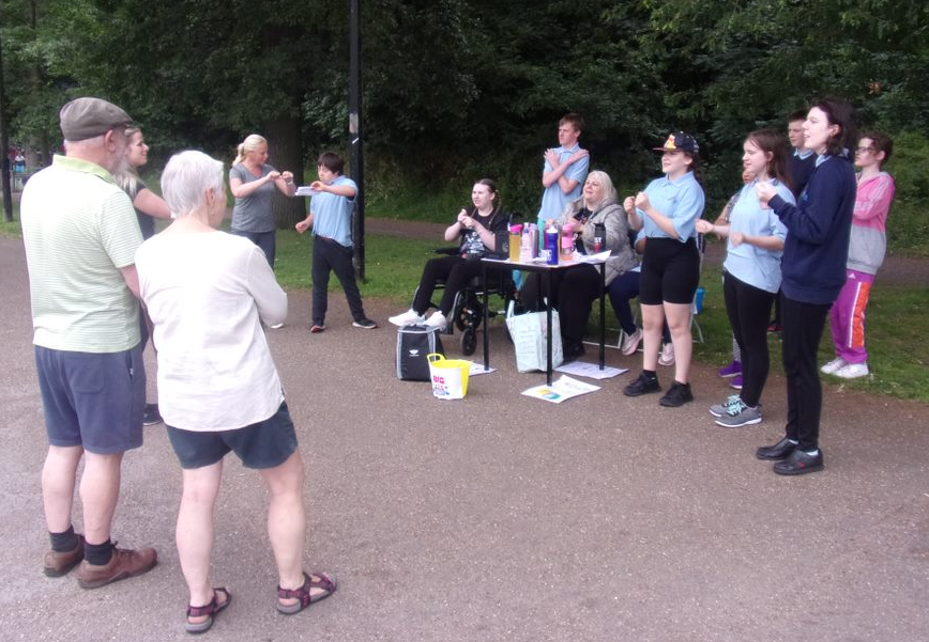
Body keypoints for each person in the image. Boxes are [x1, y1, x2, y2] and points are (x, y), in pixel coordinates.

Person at [135, 151, 335, 634]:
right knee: (286, 485)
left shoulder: (147, 254)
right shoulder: (237, 251)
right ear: (209, 195)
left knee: (197, 495)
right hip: (247, 396)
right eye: (220, 190)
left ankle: (200, 601)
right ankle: (292, 585)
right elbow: (277, 311)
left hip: (183, 397)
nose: (223, 197)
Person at [20, 97, 157, 588]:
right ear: (109, 139)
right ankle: (101, 557)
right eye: (124, 137)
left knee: (63, 446)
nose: (125, 146)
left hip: (49, 342)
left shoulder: (36, 185)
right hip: (101, 346)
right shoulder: (106, 199)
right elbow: (142, 284)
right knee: (102, 454)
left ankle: (63, 547)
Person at [756, 98, 857, 475]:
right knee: (793, 361)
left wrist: (778, 204)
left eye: (815, 122)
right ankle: (795, 437)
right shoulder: (821, 164)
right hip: (801, 274)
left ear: (834, 130)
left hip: (813, 279)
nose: (805, 127)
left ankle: (810, 449)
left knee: (802, 364)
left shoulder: (834, 171)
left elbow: (814, 230)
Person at [697, 130, 793, 427]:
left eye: (751, 152)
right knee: (742, 337)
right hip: (734, 271)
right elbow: (736, 229)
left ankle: (751, 405)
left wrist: (748, 238)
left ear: (769, 156)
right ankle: (745, 397)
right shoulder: (750, 189)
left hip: (759, 278)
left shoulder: (780, 194)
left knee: (754, 341)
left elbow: (783, 240)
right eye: (744, 151)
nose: (745, 157)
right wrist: (713, 228)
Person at [622, 132, 705, 407]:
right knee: (650, 321)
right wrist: (633, 211)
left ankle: (682, 383)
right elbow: (638, 226)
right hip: (654, 253)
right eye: (664, 153)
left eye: (672, 153)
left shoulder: (692, 190)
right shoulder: (656, 184)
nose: (665, 158)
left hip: (679, 256)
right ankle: (649, 375)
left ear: (688, 158)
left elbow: (679, 231)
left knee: (678, 324)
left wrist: (650, 209)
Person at [521, 171, 636, 360]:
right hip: (570, 260)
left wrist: (583, 229)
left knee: (574, 280)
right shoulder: (573, 206)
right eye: (588, 182)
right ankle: (538, 331)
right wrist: (553, 225)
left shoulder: (614, 211)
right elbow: (560, 225)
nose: (588, 186)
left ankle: (572, 342)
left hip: (603, 263)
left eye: (595, 184)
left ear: (605, 190)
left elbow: (615, 240)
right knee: (539, 276)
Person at [821, 131, 896, 379]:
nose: (859, 152)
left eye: (865, 149)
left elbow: (866, 209)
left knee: (853, 309)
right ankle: (842, 354)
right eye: (859, 148)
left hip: (864, 256)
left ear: (880, 155)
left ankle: (858, 359)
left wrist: (841, 204)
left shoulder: (884, 182)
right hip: (843, 253)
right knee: (839, 308)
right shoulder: (853, 178)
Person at [389, 179, 509, 329]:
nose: (476, 196)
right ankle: (417, 312)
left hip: (486, 261)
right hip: (465, 258)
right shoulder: (469, 211)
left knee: (459, 267)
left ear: (491, 196)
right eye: (474, 192)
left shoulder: (499, 219)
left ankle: (441, 314)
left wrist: (477, 226)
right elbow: (448, 237)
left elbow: (497, 246)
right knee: (433, 264)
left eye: (480, 193)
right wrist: (459, 223)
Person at [114, 126, 172, 426]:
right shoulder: (129, 185)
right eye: (139, 144)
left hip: (134, 264)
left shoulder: (119, 183)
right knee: (147, 336)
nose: (145, 147)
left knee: (139, 337)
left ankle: (129, 403)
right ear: (123, 150)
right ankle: (134, 405)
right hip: (140, 268)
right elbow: (167, 211)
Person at [295, 151, 377, 331]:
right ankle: (317, 321)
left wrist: (326, 188)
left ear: (336, 171)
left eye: (325, 170)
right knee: (319, 283)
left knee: (349, 284)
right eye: (319, 169)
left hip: (339, 244)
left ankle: (359, 317)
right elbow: (314, 213)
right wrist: (306, 222)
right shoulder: (318, 190)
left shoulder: (345, 183)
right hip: (320, 243)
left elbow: (351, 192)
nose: (321, 173)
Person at [229, 133, 297, 270]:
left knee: (266, 270)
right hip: (244, 229)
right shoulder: (237, 171)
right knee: (242, 270)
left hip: (267, 230)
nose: (266, 156)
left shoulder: (269, 169)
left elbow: (290, 193)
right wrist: (265, 179)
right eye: (262, 153)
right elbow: (238, 192)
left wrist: (289, 181)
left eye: (267, 152)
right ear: (250, 153)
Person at [715, 169, 757, 389]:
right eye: (744, 170)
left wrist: (731, 227)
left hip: (753, 268)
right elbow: (721, 223)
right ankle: (739, 361)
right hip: (732, 263)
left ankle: (749, 371)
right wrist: (725, 224)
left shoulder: (764, 196)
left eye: (752, 170)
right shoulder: (737, 197)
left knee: (748, 323)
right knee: (736, 321)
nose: (746, 173)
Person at [537, 113, 589, 226]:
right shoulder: (553, 153)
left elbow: (567, 188)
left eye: (565, 130)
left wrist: (556, 165)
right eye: (560, 130)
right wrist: (568, 162)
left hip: (566, 219)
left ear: (577, 133)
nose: (561, 133)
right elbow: (546, 182)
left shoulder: (582, 156)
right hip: (544, 216)